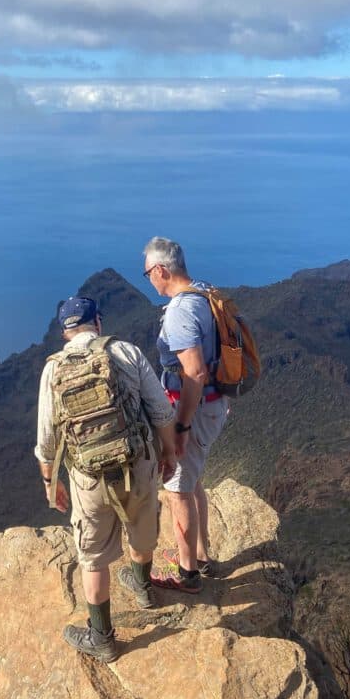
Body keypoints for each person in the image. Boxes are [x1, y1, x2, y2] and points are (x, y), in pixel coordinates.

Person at [35, 295, 177, 662]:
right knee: (143, 529)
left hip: (88, 478)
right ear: (97, 322)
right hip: (138, 464)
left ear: (65, 331)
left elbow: (47, 439)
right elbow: (161, 410)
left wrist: (51, 481)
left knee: (93, 557)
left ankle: (102, 638)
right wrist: (170, 455)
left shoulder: (53, 369)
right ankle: (144, 588)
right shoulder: (127, 352)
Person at [142, 237, 230, 593]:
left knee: (177, 488)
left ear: (161, 270)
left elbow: (194, 372)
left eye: (148, 273)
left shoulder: (180, 310)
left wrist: (180, 424)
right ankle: (201, 555)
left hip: (192, 407)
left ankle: (187, 573)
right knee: (193, 481)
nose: (148, 279)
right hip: (214, 404)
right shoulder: (205, 292)